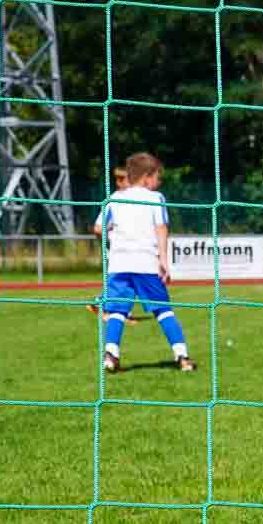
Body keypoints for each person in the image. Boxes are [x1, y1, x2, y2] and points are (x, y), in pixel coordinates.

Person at [97, 152, 195, 373]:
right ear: (147, 177)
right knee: (163, 310)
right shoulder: (155, 198)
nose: (158, 182)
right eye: (157, 177)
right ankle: (182, 357)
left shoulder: (113, 198)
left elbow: (100, 228)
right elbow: (161, 227)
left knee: (117, 311)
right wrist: (163, 259)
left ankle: (111, 355)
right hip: (145, 263)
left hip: (118, 264)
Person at [89, 162, 148, 321]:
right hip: (119, 250)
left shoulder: (134, 199)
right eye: (121, 179)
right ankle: (114, 311)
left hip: (132, 248)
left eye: (126, 178)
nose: (121, 182)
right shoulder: (113, 201)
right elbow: (97, 228)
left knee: (130, 281)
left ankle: (101, 304)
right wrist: (109, 241)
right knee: (127, 281)